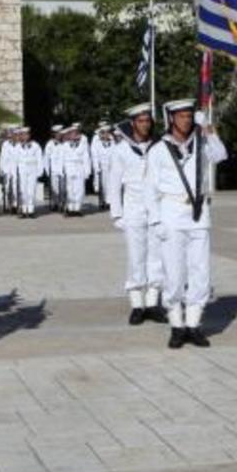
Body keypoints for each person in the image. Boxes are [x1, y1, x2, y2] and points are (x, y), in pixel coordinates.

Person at [145, 99, 228, 349]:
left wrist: (209, 129)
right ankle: (176, 325)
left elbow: (221, 155)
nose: (186, 120)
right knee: (174, 273)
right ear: (171, 119)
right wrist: (155, 220)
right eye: (180, 116)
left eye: (189, 115)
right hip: (171, 213)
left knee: (200, 270)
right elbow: (150, 189)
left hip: (198, 213)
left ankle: (193, 324)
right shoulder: (158, 149)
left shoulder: (202, 143)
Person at [108, 103, 166, 324]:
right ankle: (136, 304)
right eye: (141, 121)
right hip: (133, 209)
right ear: (133, 123)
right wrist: (117, 214)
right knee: (136, 257)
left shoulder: (159, 147)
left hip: (156, 209)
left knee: (156, 257)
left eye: (148, 121)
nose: (145, 125)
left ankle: (152, 302)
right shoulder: (121, 150)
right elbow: (113, 183)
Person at [60, 125, 91, 216]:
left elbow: (86, 158)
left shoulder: (83, 145)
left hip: (79, 168)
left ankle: (77, 208)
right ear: (69, 135)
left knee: (79, 189)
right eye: (71, 133)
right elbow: (61, 159)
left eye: (75, 133)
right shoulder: (64, 145)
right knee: (70, 189)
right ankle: (70, 208)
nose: (73, 135)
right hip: (69, 167)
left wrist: (87, 170)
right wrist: (61, 170)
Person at [14, 127, 43, 217]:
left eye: (27, 134)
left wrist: (40, 170)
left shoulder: (35, 145)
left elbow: (39, 159)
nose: (25, 136)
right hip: (22, 169)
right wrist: (15, 172)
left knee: (31, 190)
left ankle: (31, 210)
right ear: (21, 136)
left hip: (32, 169)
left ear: (29, 135)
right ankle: (24, 209)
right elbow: (15, 160)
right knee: (23, 190)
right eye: (23, 134)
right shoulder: (18, 146)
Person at [91, 124, 116, 211]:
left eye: (107, 133)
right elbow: (95, 156)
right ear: (101, 134)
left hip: (111, 167)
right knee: (103, 185)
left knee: (111, 185)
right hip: (102, 167)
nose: (106, 135)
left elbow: (115, 155)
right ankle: (102, 202)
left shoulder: (113, 143)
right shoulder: (97, 144)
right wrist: (96, 167)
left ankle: (109, 202)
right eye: (104, 133)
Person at [46, 124, 66, 212]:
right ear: (54, 134)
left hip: (62, 169)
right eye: (57, 133)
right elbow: (46, 158)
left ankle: (62, 203)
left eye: (60, 133)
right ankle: (55, 203)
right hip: (53, 169)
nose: (59, 135)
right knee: (55, 188)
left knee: (63, 188)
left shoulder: (65, 144)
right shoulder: (50, 144)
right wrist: (47, 170)